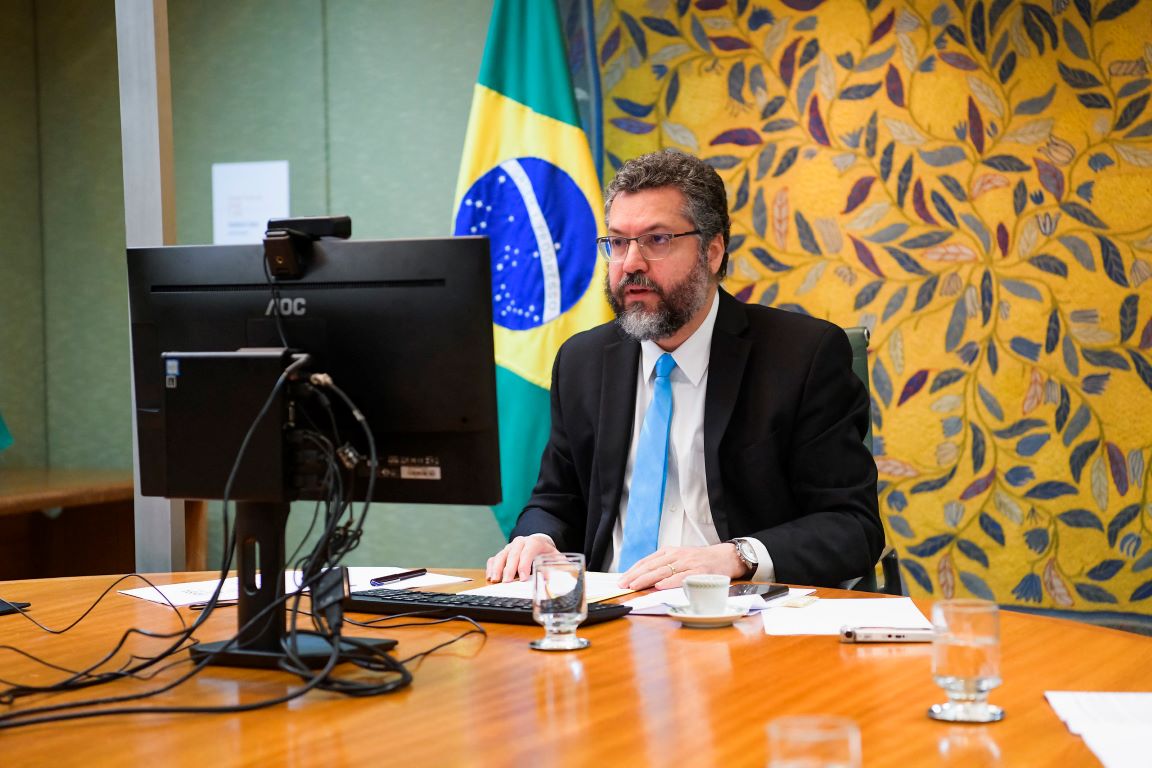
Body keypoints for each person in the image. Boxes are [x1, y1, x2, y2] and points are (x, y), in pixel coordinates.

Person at [485, 149, 883, 591]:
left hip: (733, 611)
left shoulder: (801, 357)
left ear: (712, 252)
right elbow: (557, 499)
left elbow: (853, 526)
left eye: (657, 240)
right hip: (606, 607)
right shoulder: (583, 361)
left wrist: (738, 557)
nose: (630, 263)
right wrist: (538, 538)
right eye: (618, 242)